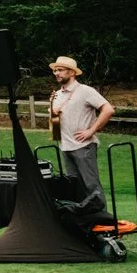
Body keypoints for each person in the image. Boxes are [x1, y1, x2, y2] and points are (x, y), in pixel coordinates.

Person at [48, 56, 115, 203]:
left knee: (91, 186)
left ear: (72, 72)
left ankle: (102, 221)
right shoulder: (57, 94)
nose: (56, 73)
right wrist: (54, 114)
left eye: (60, 70)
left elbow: (108, 110)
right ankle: (84, 220)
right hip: (65, 146)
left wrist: (91, 130)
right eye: (55, 70)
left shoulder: (85, 90)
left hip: (83, 146)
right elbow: (56, 123)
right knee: (75, 187)